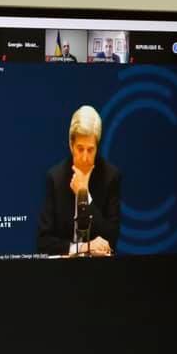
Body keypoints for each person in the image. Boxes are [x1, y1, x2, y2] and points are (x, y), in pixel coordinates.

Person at [37, 105, 120, 256]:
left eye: (90, 149)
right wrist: (83, 247)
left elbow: (112, 238)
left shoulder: (110, 177)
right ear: (71, 145)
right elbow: (44, 242)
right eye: (80, 149)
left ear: (97, 147)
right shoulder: (56, 178)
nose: (85, 157)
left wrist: (84, 195)